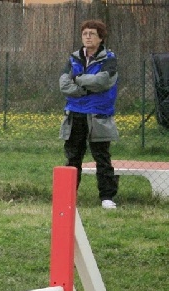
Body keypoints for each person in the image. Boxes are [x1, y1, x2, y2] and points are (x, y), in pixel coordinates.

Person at [59, 19, 119, 209]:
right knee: (73, 157)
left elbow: (102, 82)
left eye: (92, 34)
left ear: (101, 37)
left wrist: (78, 79)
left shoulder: (109, 59)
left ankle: (107, 197)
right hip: (75, 114)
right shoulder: (73, 58)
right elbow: (63, 84)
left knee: (102, 157)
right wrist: (85, 88)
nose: (88, 37)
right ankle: (68, 197)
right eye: (85, 34)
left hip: (99, 115)